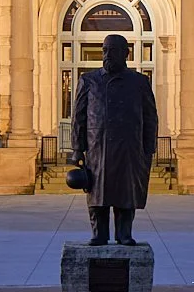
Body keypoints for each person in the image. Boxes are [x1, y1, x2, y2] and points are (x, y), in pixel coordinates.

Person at [70, 32, 157, 245]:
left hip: (129, 149)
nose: (108, 55)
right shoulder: (88, 80)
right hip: (97, 148)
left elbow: (150, 117)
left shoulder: (139, 82)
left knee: (126, 193)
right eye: (105, 50)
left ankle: (124, 234)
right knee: (97, 193)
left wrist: (148, 149)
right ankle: (99, 233)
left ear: (126, 54)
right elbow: (78, 117)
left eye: (113, 51)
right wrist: (76, 148)